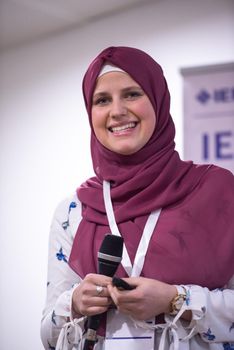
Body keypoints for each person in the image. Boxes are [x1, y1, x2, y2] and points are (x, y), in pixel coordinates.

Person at [40, 46, 234, 350]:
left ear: (158, 100)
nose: (117, 111)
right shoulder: (75, 210)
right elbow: (48, 335)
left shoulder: (217, 191)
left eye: (132, 94)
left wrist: (175, 300)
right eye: (102, 100)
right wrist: (75, 303)